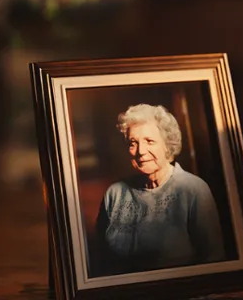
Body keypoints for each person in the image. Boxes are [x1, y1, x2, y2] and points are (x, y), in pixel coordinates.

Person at [92, 103, 226, 277]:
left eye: (150, 141)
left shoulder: (194, 190)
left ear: (167, 145)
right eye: (133, 143)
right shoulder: (114, 193)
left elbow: (214, 260)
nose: (140, 151)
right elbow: (99, 258)